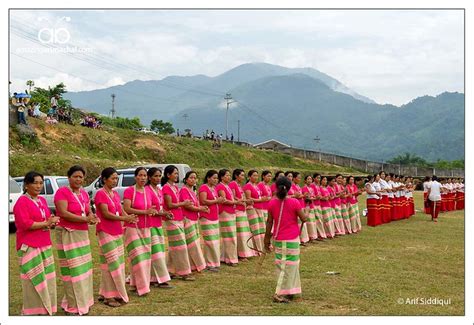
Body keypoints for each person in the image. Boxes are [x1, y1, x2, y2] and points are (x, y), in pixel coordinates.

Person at [54, 165, 98, 315]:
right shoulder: (62, 192)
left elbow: (87, 209)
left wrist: (91, 216)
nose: (78, 179)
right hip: (68, 233)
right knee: (72, 270)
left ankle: (84, 301)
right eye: (75, 176)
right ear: (68, 177)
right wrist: (85, 218)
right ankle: (73, 305)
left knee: (83, 270)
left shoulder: (84, 193)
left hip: (82, 234)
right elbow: (63, 213)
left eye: (81, 177)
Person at [14, 171, 60, 315]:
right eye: (35, 182)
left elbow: (45, 219)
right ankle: (33, 311)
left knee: (47, 278)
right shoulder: (22, 202)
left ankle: (47, 308)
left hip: (44, 243)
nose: (38, 186)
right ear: (26, 185)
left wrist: (51, 223)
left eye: (41, 183)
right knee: (32, 280)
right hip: (30, 245)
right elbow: (25, 224)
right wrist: (46, 222)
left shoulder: (42, 200)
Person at [95, 168, 138, 307]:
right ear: (104, 179)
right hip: (105, 231)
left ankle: (105, 292)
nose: (115, 181)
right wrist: (123, 217)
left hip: (116, 231)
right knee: (112, 263)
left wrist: (128, 217)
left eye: (116, 178)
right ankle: (109, 296)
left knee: (115, 263)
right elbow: (105, 214)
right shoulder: (100, 194)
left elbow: (120, 209)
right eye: (112, 178)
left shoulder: (114, 194)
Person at [264, 176, 308, 303]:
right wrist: (307, 210)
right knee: (289, 265)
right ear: (290, 188)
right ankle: (279, 293)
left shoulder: (272, 202)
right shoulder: (294, 202)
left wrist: (266, 240)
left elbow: (269, 222)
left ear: (276, 188)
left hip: (280, 238)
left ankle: (289, 290)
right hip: (291, 239)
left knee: (286, 265)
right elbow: (304, 218)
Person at [123, 167, 157, 296]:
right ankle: (143, 288)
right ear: (135, 177)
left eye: (145, 175)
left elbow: (150, 207)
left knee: (145, 257)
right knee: (137, 256)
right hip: (133, 227)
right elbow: (126, 208)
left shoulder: (147, 191)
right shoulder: (129, 191)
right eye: (140, 175)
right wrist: (145, 212)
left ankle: (135, 284)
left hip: (146, 228)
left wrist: (152, 211)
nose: (143, 178)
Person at [162, 165, 195, 281]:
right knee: (181, 246)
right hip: (171, 219)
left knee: (174, 246)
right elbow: (169, 205)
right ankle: (184, 272)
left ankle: (170, 269)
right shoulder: (166, 188)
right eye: (175, 173)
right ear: (168, 175)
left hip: (179, 218)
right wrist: (183, 204)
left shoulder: (175, 187)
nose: (177, 175)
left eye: (177, 173)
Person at [145, 168, 175, 288]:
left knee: (158, 251)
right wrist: (162, 213)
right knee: (156, 252)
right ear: (149, 177)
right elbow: (150, 209)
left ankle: (153, 277)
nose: (158, 178)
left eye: (159, 176)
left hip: (158, 223)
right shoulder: (147, 190)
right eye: (155, 176)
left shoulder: (158, 190)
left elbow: (160, 207)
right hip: (150, 223)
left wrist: (166, 213)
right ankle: (161, 279)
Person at [180, 171, 208, 273]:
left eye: (195, 178)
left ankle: (193, 265)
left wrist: (200, 208)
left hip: (194, 218)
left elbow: (195, 205)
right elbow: (187, 206)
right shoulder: (184, 190)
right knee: (193, 244)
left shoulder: (192, 190)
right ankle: (199, 265)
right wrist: (200, 209)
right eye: (191, 177)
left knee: (194, 242)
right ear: (186, 179)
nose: (193, 180)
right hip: (187, 218)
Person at [199, 170, 225, 271]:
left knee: (215, 241)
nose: (215, 180)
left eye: (217, 178)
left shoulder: (213, 188)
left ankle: (214, 262)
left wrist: (218, 201)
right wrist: (216, 201)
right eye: (214, 178)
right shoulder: (203, 187)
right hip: (206, 216)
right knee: (210, 241)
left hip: (214, 216)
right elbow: (203, 201)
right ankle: (209, 263)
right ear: (208, 178)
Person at [229, 169, 255, 260]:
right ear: (236, 176)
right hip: (237, 210)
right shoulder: (232, 184)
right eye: (242, 175)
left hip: (242, 209)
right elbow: (233, 196)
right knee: (240, 233)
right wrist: (243, 201)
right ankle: (241, 254)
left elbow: (240, 196)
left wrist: (246, 201)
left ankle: (245, 252)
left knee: (244, 233)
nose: (243, 177)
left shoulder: (239, 185)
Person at [216, 169, 239, 266]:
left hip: (230, 211)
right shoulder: (220, 186)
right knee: (229, 236)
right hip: (225, 212)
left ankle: (225, 257)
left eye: (229, 175)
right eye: (227, 175)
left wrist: (235, 201)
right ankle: (231, 258)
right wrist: (235, 202)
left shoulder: (227, 186)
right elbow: (224, 200)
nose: (229, 177)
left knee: (230, 235)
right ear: (221, 177)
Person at [244, 170, 270, 254]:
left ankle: (262, 247)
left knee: (261, 228)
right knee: (255, 229)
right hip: (252, 209)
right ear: (249, 177)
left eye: (257, 176)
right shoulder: (248, 186)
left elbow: (260, 196)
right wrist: (260, 199)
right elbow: (249, 199)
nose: (256, 177)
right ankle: (256, 249)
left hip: (260, 208)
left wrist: (262, 199)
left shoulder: (256, 186)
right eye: (254, 175)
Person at [310, 173, 327, 240]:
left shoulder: (318, 186)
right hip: (314, 204)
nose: (319, 179)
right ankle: (319, 235)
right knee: (317, 220)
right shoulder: (312, 185)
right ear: (314, 178)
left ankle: (320, 234)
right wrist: (317, 197)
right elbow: (312, 195)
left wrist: (322, 197)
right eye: (317, 178)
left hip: (318, 204)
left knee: (320, 220)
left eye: (319, 178)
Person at [301, 175, 318, 242]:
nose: (309, 180)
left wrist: (313, 198)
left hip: (311, 205)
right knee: (309, 222)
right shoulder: (304, 188)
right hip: (307, 205)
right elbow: (306, 197)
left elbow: (312, 196)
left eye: (310, 179)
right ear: (305, 180)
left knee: (312, 222)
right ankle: (310, 237)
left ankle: (313, 236)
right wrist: (313, 198)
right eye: (308, 179)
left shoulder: (311, 188)